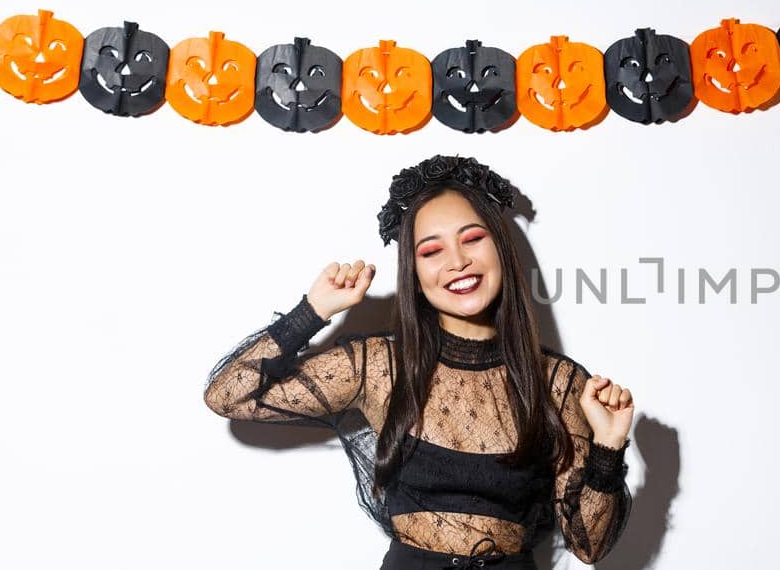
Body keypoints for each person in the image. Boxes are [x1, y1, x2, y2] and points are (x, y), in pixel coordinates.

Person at [204, 155, 633, 569]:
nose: (457, 262)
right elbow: (228, 395)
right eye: (431, 251)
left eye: (472, 239)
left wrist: (608, 449)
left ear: (500, 247)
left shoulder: (557, 382)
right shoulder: (380, 366)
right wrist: (312, 311)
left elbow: (589, 545)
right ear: (414, 271)